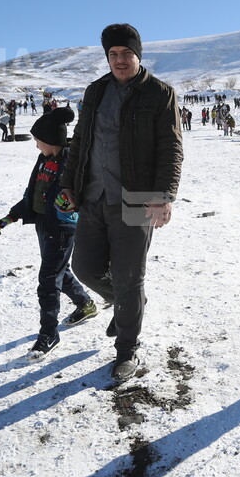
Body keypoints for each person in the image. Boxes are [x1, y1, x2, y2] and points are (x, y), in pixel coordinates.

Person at [59, 24, 183, 384]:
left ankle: (127, 349)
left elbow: (172, 147)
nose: (119, 60)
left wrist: (164, 196)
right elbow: (81, 139)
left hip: (138, 198)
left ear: (138, 55)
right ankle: (131, 305)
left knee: (130, 276)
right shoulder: (95, 91)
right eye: (113, 54)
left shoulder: (159, 93)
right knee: (84, 267)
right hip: (93, 194)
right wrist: (69, 184)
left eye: (126, 53)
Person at [0, 107, 96, 360]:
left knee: (48, 279)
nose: (36, 145)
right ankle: (85, 304)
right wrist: (13, 214)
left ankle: (49, 334)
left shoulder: (70, 163)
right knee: (58, 271)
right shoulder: (44, 161)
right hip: (44, 223)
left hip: (62, 226)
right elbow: (33, 193)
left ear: (50, 140)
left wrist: (74, 204)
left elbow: (86, 191)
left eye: (38, 140)